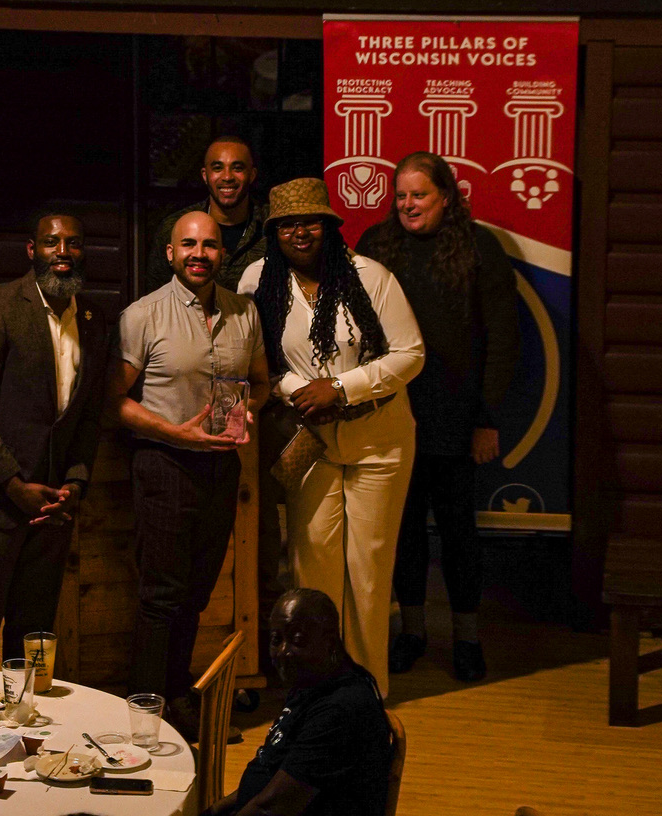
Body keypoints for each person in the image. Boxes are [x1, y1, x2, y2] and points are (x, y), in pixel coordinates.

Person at [239, 178, 424, 698]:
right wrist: (300, 390)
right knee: (312, 564)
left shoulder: (370, 275)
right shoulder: (258, 280)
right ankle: (318, 687)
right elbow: (255, 359)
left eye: (311, 221)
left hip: (379, 440)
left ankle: (366, 690)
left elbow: (410, 353)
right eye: (288, 224)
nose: (301, 232)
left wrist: (341, 388)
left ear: (330, 225)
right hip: (308, 442)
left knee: (368, 570)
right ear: (274, 232)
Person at [355, 151, 520, 682]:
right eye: (400, 195)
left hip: (457, 416)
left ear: (446, 197)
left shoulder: (480, 249)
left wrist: (486, 418)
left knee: (457, 532)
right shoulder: (376, 247)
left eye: (419, 194)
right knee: (402, 532)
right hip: (392, 412)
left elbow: (503, 338)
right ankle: (413, 632)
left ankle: (467, 639)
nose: (408, 204)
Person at [107, 211, 270, 737]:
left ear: (223, 253)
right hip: (164, 464)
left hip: (220, 467)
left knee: (197, 593)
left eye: (211, 245)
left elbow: (262, 383)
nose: (200, 253)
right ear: (172, 254)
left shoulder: (245, 313)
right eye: (189, 245)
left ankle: (178, 699)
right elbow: (115, 402)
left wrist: (250, 410)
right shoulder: (143, 315)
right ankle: (145, 715)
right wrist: (175, 433)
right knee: (162, 595)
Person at [0, 212, 109, 670]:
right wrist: (15, 487)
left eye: (73, 243)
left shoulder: (92, 320)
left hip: (51, 507)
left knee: (33, 638)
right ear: (33, 250)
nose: (64, 252)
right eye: (52, 242)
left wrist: (75, 483)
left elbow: (87, 418)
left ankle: (22, 726)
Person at [202, 589, 393, 816]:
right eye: (276, 640)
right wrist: (213, 812)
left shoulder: (339, 710)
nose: (284, 652)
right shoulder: (309, 682)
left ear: (330, 642)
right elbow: (268, 769)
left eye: (297, 640)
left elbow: (273, 808)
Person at [145, 136, 267, 295]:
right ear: (205, 175)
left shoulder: (271, 225)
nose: (227, 177)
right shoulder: (176, 226)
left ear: (251, 174)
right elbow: (156, 295)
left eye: (237, 168)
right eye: (218, 168)